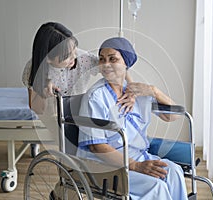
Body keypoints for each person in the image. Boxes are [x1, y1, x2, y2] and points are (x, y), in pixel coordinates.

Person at [77, 37, 188, 200]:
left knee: (174, 172)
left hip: (138, 156)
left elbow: (173, 116)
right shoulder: (95, 97)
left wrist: (154, 91)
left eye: (112, 59)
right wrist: (136, 166)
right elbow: (96, 147)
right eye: (102, 59)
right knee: (156, 186)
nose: (106, 64)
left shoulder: (136, 92)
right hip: (105, 164)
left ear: (125, 64)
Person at [22, 22, 135, 114]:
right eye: (67, 56)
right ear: (48, 58)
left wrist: (130, 92)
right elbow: (36, 108)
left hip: (80, 113)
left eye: (74, 49)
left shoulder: (83, 59)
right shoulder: (33, 69)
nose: (74, 57)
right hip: (53, 118)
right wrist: (44, 93)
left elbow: (117, 69)